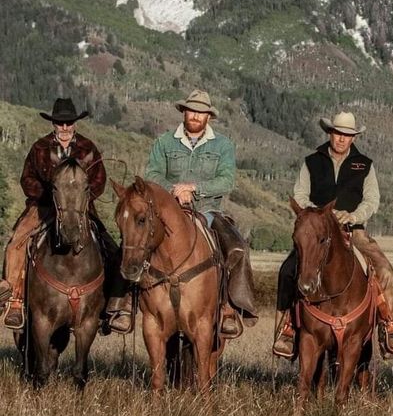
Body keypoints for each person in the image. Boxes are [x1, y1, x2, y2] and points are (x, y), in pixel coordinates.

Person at [272, 111, 393, 360]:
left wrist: (354, 216)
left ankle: (391, 326)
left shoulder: (365, 164)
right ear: (330, 133)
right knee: (288, 270)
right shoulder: (312, 161)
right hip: (317, 232)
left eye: (347, 135)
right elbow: (300, 194)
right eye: (338, 133)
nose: (342, 139)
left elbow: (372, 199)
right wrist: (321, 214)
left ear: (353, 137)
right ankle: (287, 329)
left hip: (353, 231)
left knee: (384, 270)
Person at [0, 98, 131, 332]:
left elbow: (99, 180)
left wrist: (79, 199)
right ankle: (15, 300)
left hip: (80, 208)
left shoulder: (88, 148)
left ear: (75, 124)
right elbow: (26, 179)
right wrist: (51, 195)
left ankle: (113, 306)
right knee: (16, 244)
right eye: (60, 123)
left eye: (68, 123)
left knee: (112, 249)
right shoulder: (39, 148)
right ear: (53, 124)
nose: (64, 128)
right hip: (42, 207)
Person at [144, 89, 257, 338]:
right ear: (184, 112)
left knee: (237, 248)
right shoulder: (164, 142)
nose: (196, 116)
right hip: (167, 212)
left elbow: (226, 181)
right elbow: (152, 175)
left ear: (209, 117)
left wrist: (194, 188)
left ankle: (229, 307)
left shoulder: (223, 145)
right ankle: (121, 306)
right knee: (133, 242)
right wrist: (174, 190)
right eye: (192, 110)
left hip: (208, 211)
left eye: (201, 112)